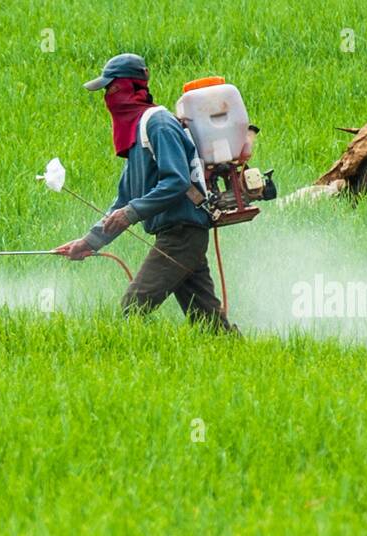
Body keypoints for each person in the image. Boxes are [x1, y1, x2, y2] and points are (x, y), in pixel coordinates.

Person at [54, 53, 236, 334]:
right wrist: (89, 241)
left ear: (128, 87)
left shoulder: (158, 124)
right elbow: (123, 201)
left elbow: (175, 181)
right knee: (207, 323)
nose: (107, 98)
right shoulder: (138, 135)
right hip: (177, 234)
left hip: (183, 233)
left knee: (134, 307)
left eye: (110, 89)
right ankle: (235, 357)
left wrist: (132, 213)